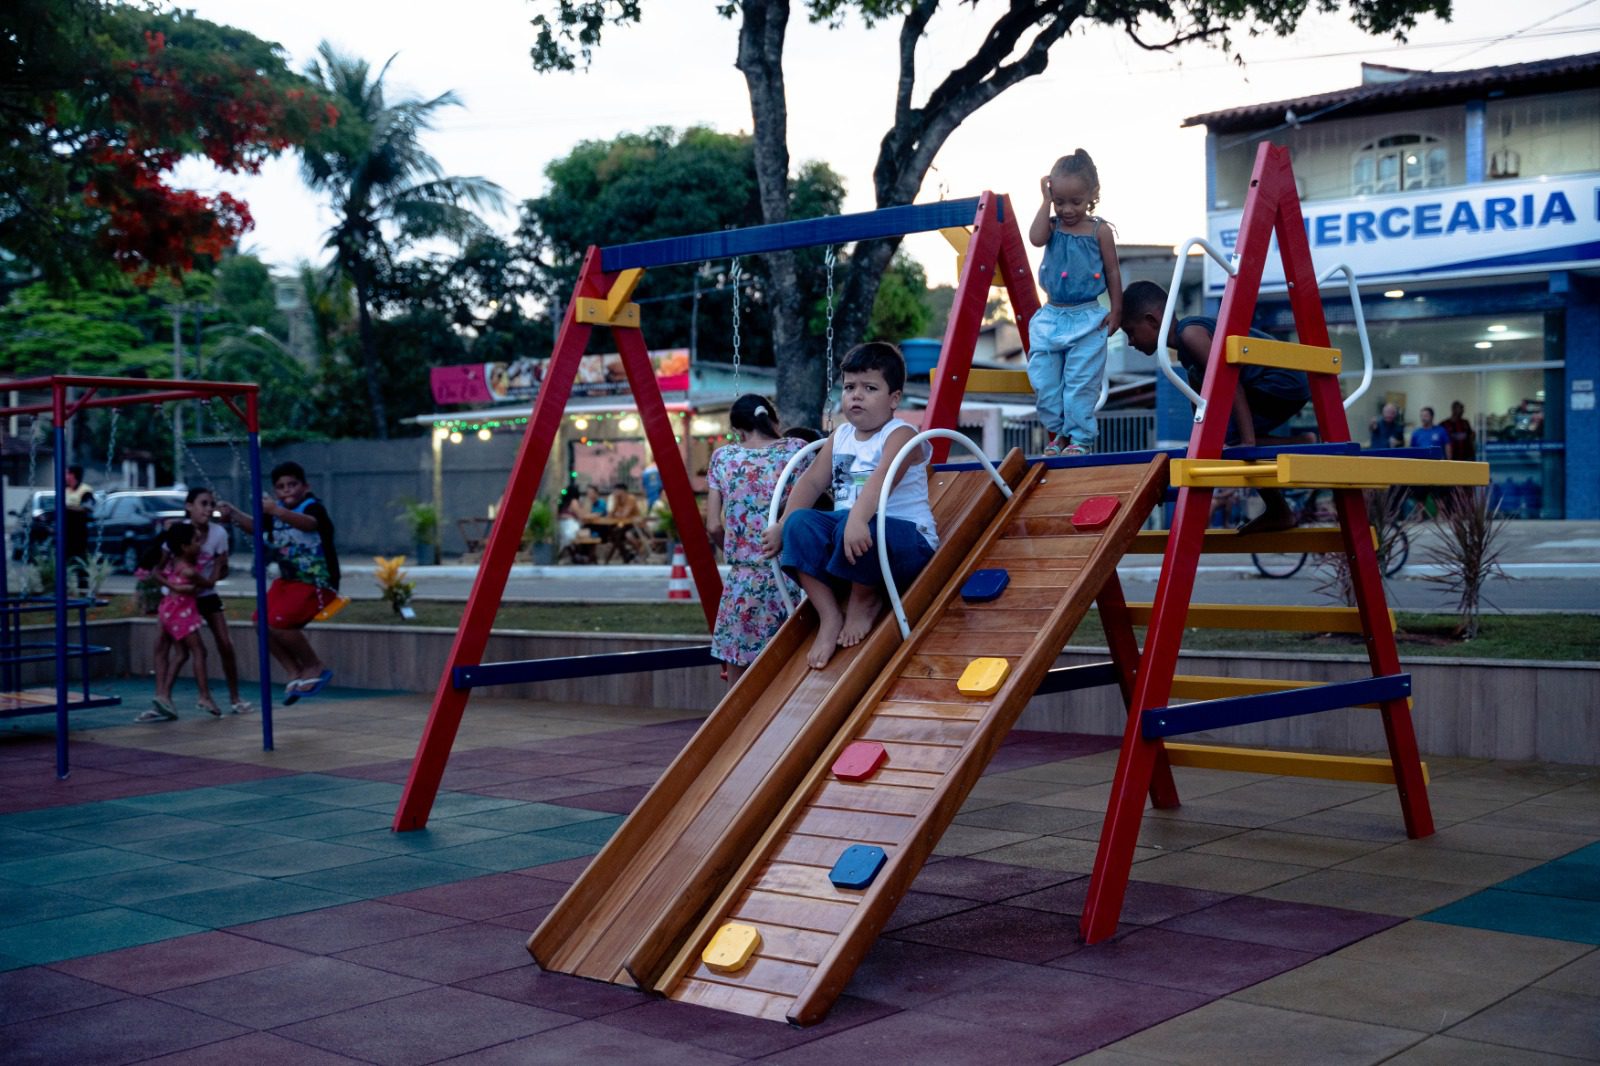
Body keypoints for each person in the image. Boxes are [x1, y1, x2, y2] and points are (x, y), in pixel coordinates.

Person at [762, 343, 937, 669]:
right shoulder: (841, 435)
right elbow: (813, 481)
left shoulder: (901, 433)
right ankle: (829, 614)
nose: (856, 395)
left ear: (894, 399)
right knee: (801, 522)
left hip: (905, 542)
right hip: (851, 537)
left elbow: (883, 477)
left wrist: (857, 519)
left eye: (870, 388)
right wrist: (783, 523)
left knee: (851, 521)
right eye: (850, 387)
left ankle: (863, 599)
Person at [1122, 280, 1312, 533]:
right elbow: (1200, 404)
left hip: (1281, 380)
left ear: (1153, 320)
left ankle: (1301, 446)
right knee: (1220, 436)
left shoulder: (1191, 335)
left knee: (1231, 437)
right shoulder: (1186, 352)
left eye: (1130, 331)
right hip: (1273, 381)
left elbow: (1230, 384)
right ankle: (1279, 509)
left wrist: (1247, 442)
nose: (1130, 342)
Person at [705, 394, 811, 684]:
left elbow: (714, 524)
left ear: (737, 429)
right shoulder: (797, 450)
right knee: (790, 669)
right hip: (789, 575)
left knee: (739, 676)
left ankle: (737, 728)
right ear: (771, 419)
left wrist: (736, 550)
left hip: (742, 582)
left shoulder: (723, 457)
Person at [1026, 149, 1122, 457]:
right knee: (1044, 381)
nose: (1067, 209)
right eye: (1059, 201)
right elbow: (1035, 238)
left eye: (1075, 202)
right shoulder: (1052, 227)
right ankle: (1059, 433)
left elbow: (1112, 271)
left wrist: (1116, 309)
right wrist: (1044, 201)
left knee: (1080, 383)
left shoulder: (1099, 231)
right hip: (1052, 315)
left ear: (1092, 194)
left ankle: (1079, 438)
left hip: (1087, 317)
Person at [219, 461, 337, 704]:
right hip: (288, 581)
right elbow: (256, 527)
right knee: (259, 621)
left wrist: (277, 511)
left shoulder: (313, 507)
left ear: (305, 486)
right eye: (281, 487)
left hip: (315, 581)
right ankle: (293, 670)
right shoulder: (277, 511)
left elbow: (310, 524)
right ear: (276, 492)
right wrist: (234, 515)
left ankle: (315, 665)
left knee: (279, 623)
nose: (287, 491)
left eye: (293, 485)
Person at [135, 524, 218, 721]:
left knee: (182, 653)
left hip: (169, 610)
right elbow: (209, 583)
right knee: (199, 651)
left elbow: (156, 572)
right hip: (181, 613)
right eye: (196, 541)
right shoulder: (188, 570)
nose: (200, 544)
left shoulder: (174, 561)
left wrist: (172, 586)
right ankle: (204, 696)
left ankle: (164, 696)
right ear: (184, 546)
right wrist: (219, 565)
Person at [184, 488, 252, 714]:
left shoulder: (218, 534)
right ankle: (193, 695)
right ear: (189, 506)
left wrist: (214, 575)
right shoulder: (180, 531)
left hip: (207, 593)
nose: (208, 509)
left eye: (211, 504)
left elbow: (222, 569)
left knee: (225, 643)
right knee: (184, 649)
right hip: (183, 595)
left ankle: (235, 697)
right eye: (203, 503)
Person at [63, 465, 94, 592]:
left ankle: (83, 586)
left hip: (79, 532)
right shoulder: (64, 490)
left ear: (73, 475)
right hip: (65, 531)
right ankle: (63, 586)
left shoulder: (85, 490)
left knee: (80, 558)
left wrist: (69, 508)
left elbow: (88, 507)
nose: (65, 476)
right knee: (64, 558)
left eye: (67, 474)